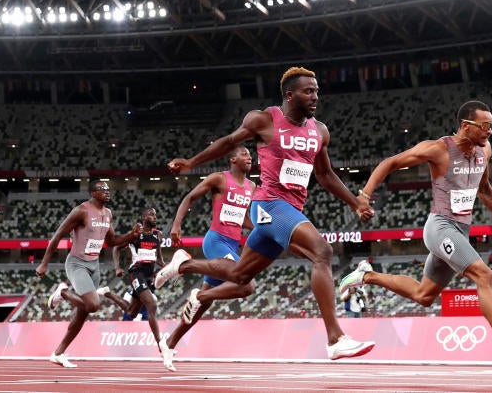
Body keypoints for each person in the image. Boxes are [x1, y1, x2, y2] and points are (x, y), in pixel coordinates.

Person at [157, 66, 376, 360]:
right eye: (308, 91)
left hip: (289, 210)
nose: (315, 97)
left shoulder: (319, 131)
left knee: (239, 275)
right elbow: (228, 142)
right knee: (322, 251)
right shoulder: (263, 119)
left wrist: (354, 202)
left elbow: (325, 175)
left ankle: (183, 266)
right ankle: (335, 338)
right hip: (268, 205)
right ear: (290, 95)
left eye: (317, 92)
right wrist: (191, 163)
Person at [338, 100, 492, 370]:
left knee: (424, 295)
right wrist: (364, 196)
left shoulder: (485, 151)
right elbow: (390, 163)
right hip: (440, 227)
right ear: (465, 125)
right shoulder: (438, 149)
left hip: (461, 230)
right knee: (486, 276)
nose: (489, 132)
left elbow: (483, 188)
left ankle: (366, 276)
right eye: (484, 126)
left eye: (491, 127)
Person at [158, 145, 259, 372]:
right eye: (244, 154)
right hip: (216, 241)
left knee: (202, 306)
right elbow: (190, 197)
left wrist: (261, 229)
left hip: (232, 244)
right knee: (247, 284)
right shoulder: (219, 179)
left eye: (250, 156)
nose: (249, 157)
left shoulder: (252, 187)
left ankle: (170, 342)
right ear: (232, 159)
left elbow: (241, 217)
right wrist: (176, 225)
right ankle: (184, 266)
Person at [35, 180, 141, 368]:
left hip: (94, 266)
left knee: (82, 314)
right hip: (77, 264)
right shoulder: (81, 211)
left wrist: (131, 235)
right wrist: (44, 263)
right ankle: (63, 293)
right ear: (93, 192)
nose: (107, 192)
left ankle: (58, 353)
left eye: (109, 189)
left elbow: (112, 241)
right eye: (103, 189)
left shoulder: (107, 213)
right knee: (93, 305)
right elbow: (57, 235)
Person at [100, 207, 165, 350]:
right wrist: (117, 267)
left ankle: (107, 293)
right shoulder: (136, 234)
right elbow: (116, 248)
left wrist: (168, 268)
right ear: (144, 217)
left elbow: (158, 257)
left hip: (149, 277)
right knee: (152, 304)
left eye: (155, 214)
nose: (155, 217)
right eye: (151, 215)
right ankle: (162, 345)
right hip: (136, 273)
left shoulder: (158, 235)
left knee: (131, 312)